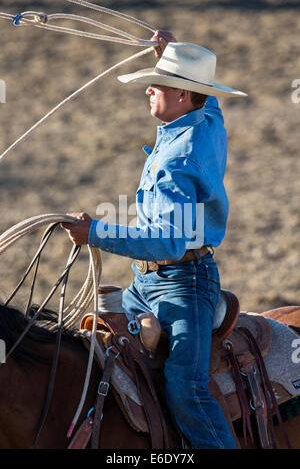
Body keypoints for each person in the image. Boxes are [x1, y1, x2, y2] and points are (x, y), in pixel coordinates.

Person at [62, 30, 247, 449]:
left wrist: (95, 233)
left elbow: (167, 243)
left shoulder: (179, 160)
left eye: (159, 83)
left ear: (184, 95)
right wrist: (174, 55)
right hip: (147, 285)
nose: (148, 88)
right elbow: (210, 100)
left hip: (184, 285)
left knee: (187, 391)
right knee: (99, 349)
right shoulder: (204, 121)